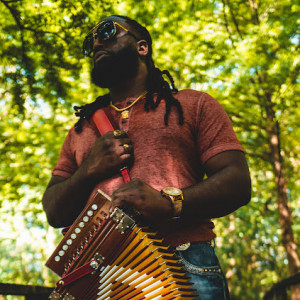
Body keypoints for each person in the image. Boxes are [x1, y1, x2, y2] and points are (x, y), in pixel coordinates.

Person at [42, 15, 251, 300]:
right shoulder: (81, 129)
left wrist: (169, 202)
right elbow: (54, 210)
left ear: (142, 47)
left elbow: (237, 182)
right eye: (90, 41)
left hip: (183, 264)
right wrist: (89, 169)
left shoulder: (194, 104)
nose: (96, 42)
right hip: (98, 279)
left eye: (107, 31)